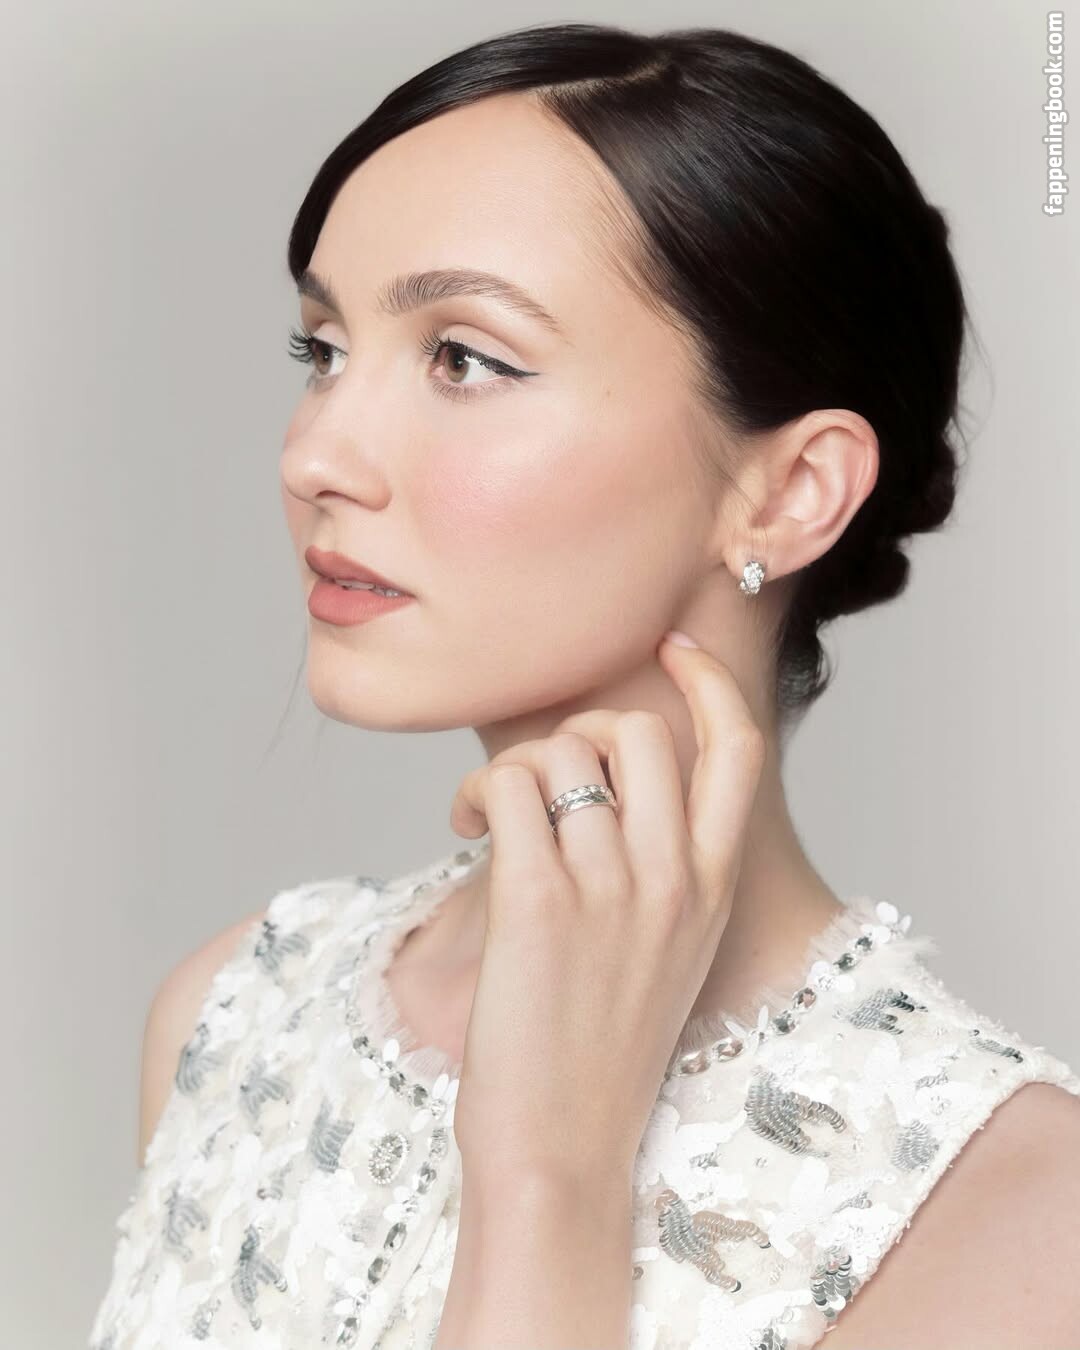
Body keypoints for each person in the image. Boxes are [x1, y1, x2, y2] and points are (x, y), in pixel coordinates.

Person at [88, 20, 1080, 1350]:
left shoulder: (1014, 1211)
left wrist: (547, 1179)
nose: (315, 455)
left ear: (791, 491)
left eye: (465, 358)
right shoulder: (235, 1020)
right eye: (322, 349)